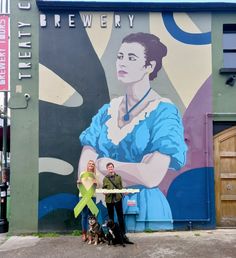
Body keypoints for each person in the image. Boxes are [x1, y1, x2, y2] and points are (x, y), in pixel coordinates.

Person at [78, 32, 187, 230]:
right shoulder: (107, 111)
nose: (122, 63)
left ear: (149, 66)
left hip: (147, 211)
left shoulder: (164, 111)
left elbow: (151, 176)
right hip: (104, 208)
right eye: (120, 57)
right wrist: (131, 170)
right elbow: (85, 170)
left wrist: (105, 164)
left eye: (131, 58)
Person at [102, 162, 126, 235]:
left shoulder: (118, 177)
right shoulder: (105, 178)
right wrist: (104, 192)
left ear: (113, 168)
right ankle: (112, 233)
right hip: (109, 200)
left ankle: (122, 233)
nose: (110, 168)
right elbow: (104, 189)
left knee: (120, 216)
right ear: (107, 169)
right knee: (110, 218)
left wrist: (124, 191)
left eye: (111, 167)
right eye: (109, 167)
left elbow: (121, 187)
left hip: (118, 199)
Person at [77, 160, 97, 241]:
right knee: (84, 216)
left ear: (94, 166)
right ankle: (84, 234)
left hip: (92, 197)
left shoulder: (96, 175)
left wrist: (96, 183)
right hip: (83, 196)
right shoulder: (82, 173)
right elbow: (78, 186)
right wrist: (78, 183)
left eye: (93, 164)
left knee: (92, 216)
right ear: (87, 165)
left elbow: (97, 187)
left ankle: (91, 234)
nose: (91, 165)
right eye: (90, 164)